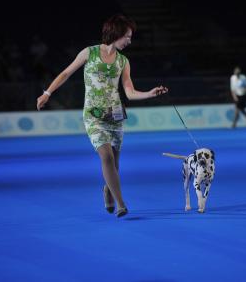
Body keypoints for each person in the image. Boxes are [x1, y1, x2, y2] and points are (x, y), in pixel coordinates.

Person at [36, 14, 168, 218]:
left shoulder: (124, 62)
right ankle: (121, 203)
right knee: (105, 156)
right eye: (127, 36)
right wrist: (47, 93)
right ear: (116, 33)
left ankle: (108, 189)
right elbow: (66, 73)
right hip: (93, 115)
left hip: (115, 115)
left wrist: (150, 93)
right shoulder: (89, 53)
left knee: (114, 165)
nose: (129, 41)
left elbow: (129, 92)